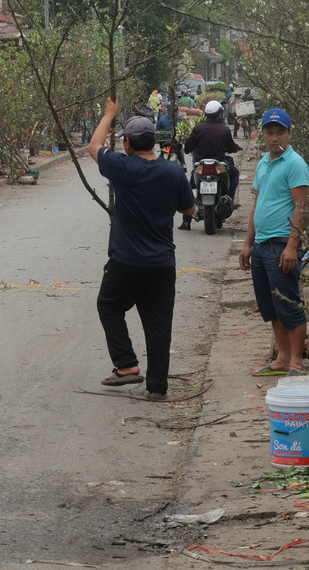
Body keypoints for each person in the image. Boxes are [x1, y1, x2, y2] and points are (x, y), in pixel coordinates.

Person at [87, 97, 196, 400]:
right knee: (159, 325)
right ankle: (158, 389)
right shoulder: (173, 172)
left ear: (129, 144)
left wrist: (109, 114)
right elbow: (189, 210)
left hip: (126, 261)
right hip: (162, 263)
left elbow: (93, 146)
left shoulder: (122, 167)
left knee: (109, 306)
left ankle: (127, 365)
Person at [238, 108, 309, 376]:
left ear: (289, 134)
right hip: (262, 246)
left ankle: (296, 364)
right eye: (270, 132)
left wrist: (292, 245)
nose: (275, 138)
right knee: (271, 306)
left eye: (280, 132)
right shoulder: (263, 163)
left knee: (289, 305)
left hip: (281, 245)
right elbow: (258, 203)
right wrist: (247, 244)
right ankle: (282, 358)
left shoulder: (295, 164)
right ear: (263, 135)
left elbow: (301, 206)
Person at [180, 100, 242, 230]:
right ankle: (228, 200)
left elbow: (188, 148)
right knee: (235, 174)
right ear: (219, 114)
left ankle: (186, 221)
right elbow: (231, 147)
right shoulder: (224, 130)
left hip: (201, 166)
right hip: (219, 166)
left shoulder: (198, 128)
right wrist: (235, 148)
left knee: (189, 187)